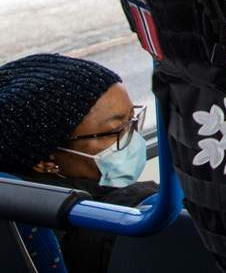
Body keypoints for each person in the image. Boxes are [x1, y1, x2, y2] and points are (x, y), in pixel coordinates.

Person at [0, 54, 155, 273]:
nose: (134, 138)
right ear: (46, 161)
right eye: (115, 131)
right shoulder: (135, 220)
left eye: (133, 119)